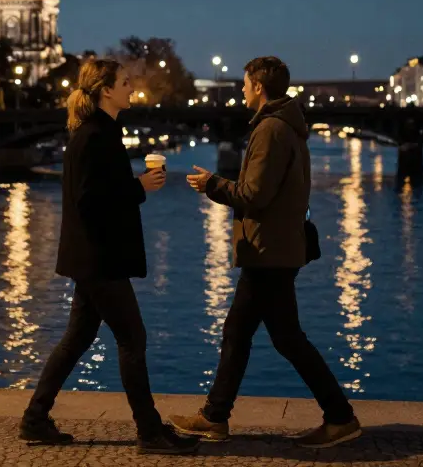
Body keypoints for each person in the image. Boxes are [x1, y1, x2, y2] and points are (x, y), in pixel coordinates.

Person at [171, 56, 361, 448]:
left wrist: (212, 184)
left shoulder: (271, 129)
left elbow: (255, 195)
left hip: (267, 249)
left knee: (265, 336)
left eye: (244, 83)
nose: (241, 89)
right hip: (273, 247)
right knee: (260, 335)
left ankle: (337, 417)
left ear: (258, 86)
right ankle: (217, 416)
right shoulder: (281, 125)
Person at [19, 58, 199, 456]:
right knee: (133, 338)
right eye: (124, 82)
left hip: (92, 256)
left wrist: (135, 187)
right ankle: (149, 432)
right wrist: (138, 188)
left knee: (76, 339)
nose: (131, 87)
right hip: (99, 257)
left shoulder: (97, 132)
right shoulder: (94, 136)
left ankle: (35, 418)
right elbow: (89, 200)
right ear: (105, 90)